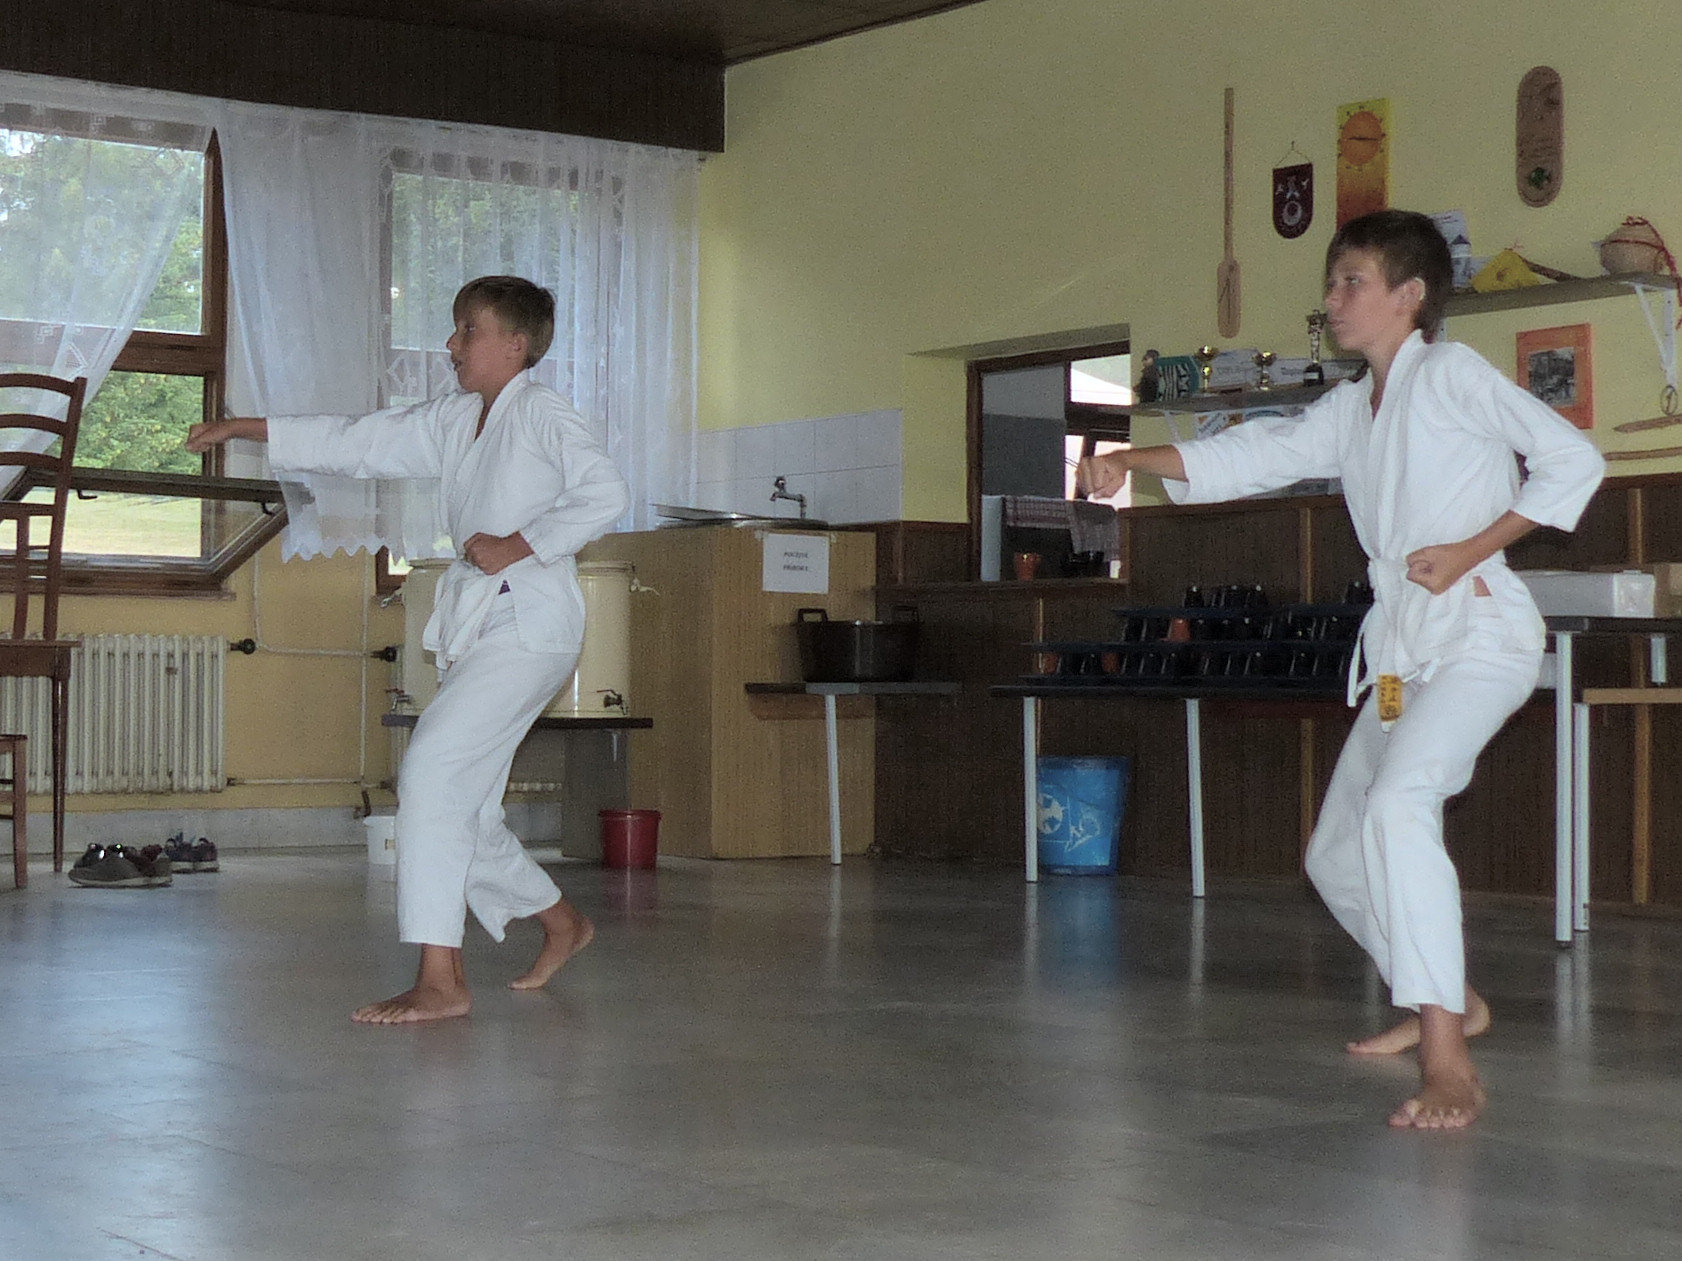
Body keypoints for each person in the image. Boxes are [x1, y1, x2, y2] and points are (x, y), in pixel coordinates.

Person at [1078, 210, 1604, 1130]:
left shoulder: (1451, 373)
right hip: (1401, 654)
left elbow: (1573, 458)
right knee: (1333, 854)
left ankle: (1448, 1057)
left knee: (1399, 805)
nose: (1332, 299)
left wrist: (1470, 547)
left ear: (1410, 294)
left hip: (1480, 636)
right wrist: (1130, 456)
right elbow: (1256, 453)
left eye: (1351, 281)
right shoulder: (1352, 408)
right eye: (1331, 283)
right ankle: (1451, 996)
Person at [188, 276, 630, 1025]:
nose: (451, 345)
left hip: (529, 627)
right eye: (455, 330)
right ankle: (563, 923)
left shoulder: (543, 412)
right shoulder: (457, 419)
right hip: (481, 625)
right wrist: (246, 427)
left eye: (467, 331)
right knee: (466, 809)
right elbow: (359, 440)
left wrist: (518, 543)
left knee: (430, 771)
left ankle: (441, 977)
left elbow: (606, 492)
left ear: (515, 344)